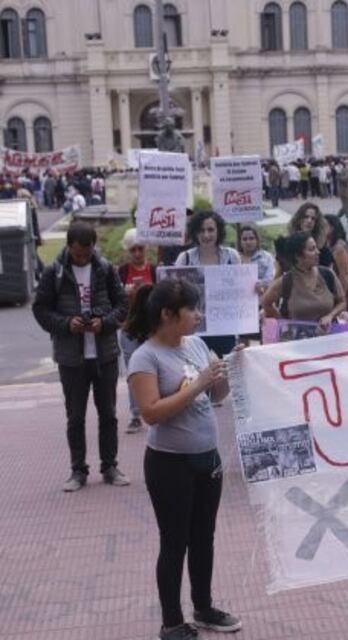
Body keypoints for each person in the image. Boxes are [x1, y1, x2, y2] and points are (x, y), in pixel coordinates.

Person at [126, 279, 243, 639]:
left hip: (207, 458)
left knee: (203, 537)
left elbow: (216, 394)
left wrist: (228, 371)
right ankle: (172, 622)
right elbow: (151, 413)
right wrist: (199, 384)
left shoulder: (196, 344)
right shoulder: (145, 357)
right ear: (167, 314)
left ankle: (204, 607)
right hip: (169, 464)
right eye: (191, 309)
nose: (198, 315)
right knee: (175, 540)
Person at [32, 220, 131, 491]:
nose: (82, 258)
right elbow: (40, 309)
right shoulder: (55, 272)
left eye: (86, 254)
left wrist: (105, 323)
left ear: (93, 247)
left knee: (108, 414)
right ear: (69, 247)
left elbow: (122, 305)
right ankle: (78, 471)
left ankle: (110, 466)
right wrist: (66, 324)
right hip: (71, 357)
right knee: (75, 417)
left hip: (105, 354)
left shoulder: (105, 269)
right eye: (77, 254)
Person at [174, 210, 241, 357]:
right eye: (201, 230)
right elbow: (175, 293)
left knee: (228, 370)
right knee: (196, 372)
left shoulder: (232, 256)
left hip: (225, 326)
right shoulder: (184, 258)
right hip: (194, 327)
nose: (206, 235)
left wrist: (253, 288)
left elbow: (240, 289)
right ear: (194, 232)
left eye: (211, 230)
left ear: (219, 231)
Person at [118, 228, 158, 434]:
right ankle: (135, 414)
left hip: (151, 327)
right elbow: (114, 299)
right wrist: (126, 294)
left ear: (146, 249)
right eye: (132, 250)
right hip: (129, 327)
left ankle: (157, 409)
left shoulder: (154, 270)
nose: (136, 253)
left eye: (140, 249)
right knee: (134, 371)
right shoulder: (122, 272)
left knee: (156, 369)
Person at [263, 232, 348, 327]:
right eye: (312, 249)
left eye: (316, 248)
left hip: (328, 336)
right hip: (298, 339)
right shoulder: (287, 281)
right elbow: (266, 302)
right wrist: (283, 323)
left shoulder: (327, 274)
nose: (317, 252)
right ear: (298, 256)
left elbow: (342, 302)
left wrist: (330, 316)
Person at [237, 223, 275, 291]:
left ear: (257, 240)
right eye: (244, 239)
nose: (248, 242)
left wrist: (261, 284)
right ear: (240, 242)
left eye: (251, 238)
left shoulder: (267, 257)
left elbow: (271, 278)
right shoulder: (234, 258)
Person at [323, 213, 348, 293]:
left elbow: (344, 275)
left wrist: (341, 296)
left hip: (339, 290)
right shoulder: (326, 244)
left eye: (323, 226)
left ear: (332, 228)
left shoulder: (339, 248)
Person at [338, 161, 348, 226]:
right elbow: (342, 179)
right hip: (343, 191)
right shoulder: (342, 171)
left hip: (347, 191)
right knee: (347, 207)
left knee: (345, 207)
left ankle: (336, 217)